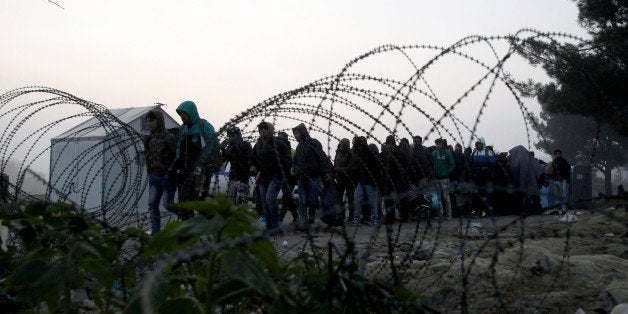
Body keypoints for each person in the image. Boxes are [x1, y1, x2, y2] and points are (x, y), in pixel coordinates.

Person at [173, 100, 219, 219]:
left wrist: (202, 160)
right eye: (180, 114)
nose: (182, 117)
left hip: (201, 171)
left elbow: (214, 144)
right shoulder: (183, 129)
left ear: (191, 113)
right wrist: (178, 161)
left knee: (199, 200)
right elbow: (179, 146)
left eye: (184, 114)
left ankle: (211, 221)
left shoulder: (204, 126)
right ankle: (187, 228)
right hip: (186, 171)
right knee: (184, 202)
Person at [250, 122, 292, 230]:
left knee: (270, 198)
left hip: (276, 175)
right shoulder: (258, 144)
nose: (262, 132)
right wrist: (253, 165)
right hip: (263, 176)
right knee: (264, 201)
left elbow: (287, 160)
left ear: (270, 130)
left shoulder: (278, 143)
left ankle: (275, 224)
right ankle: (269, 225)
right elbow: (253, 157)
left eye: (265, 129)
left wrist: (280, 166)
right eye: (260, 130)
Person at [142, 110, 178, 234]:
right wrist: (150, 172)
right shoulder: (149, 139)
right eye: (147, 121)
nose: (149, 124)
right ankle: (155, 232)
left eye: (151, 120)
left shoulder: (169, 138)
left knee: (168, 205)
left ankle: (185, 216)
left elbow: (177, 157)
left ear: (159, 120)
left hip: (167, 177)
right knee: (152, 204)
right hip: (155, 176)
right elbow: (148, 157)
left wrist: (170, 172)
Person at [292, 123, 330, 227]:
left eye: (296, 133)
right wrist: (295, 169)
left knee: (312, 200)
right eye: (294, 133)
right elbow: (295, 161)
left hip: (313, 177)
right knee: (302, 201)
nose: (295, 135)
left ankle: (316, 214)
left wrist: (325, 172)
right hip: (301, 177)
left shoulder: (314, 143)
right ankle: (303, 224)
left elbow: (321, 157)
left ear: (302, 132)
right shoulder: (299, 146)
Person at [348, 136, 381, 226]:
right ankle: (358, 219)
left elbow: (375, 168)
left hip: (369, 181)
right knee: (358, 199)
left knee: (371, 200)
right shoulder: (360, 154)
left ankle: (374, 220)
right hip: (362, 180)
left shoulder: (369, 154)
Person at [380, 135, 410, 224]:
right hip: (389, 181)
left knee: (400, 200)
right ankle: (390, 218)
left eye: (389, 144)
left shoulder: (400, 154)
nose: (388, 146)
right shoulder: (386, 154)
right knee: (388, 201)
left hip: (399, 181)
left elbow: (405, 167)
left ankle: (404, 217)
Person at [219, 126, 252, 206]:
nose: (230, 137)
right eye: (229, 136)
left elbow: (244, 157)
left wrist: (235, 145)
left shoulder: (246, 145)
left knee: (241, 200)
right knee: (231, 201)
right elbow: (224, 159)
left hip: (243, 177)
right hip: (233, 177)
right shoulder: (230, 147)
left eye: (232, 135)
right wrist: (223, 148)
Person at [276, 131, 299, 223]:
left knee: (285, 198)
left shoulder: (293, 151)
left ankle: (280, 219)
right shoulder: (277, 152)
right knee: (288, 198)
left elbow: (297, 164)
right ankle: (296, 217)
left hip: (291, 178)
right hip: (283, 177)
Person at [432, 138, 455, 219]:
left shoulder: (447, 153)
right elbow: (431, 164)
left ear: (442, 144)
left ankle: (449, 214)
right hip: (436, 178)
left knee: (446, 197)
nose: (438, 145)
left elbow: (452, 164)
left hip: (445, 178)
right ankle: (440, 214)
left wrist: (447, 172)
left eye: (439, 144)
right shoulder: (434, 153)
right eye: (437, 144)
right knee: (438, 197)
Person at [333, 138, 355, 223]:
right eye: (340, 145)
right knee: (338, 198)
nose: (341, 147)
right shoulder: (337, 152)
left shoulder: (350, 154)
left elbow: (350, 168)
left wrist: (338, 169)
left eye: (342, 145)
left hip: (348, 180)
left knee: (350, 199)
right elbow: (335, 163)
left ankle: (351, 216)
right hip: (339, 179)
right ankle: (340, 216)